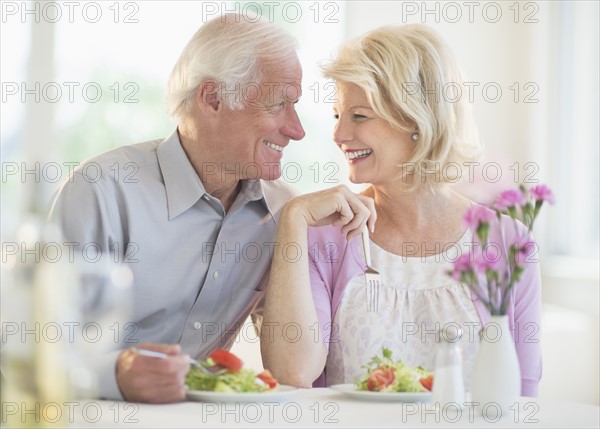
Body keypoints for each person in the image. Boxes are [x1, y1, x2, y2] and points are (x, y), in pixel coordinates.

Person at [261, 24, 542, 396]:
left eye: (358, 116)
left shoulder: (506, 241)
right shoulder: (325, 236)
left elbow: (521, 395)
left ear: (415, 119)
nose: (339, 134)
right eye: (337, 116)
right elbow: (292, 372)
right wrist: (294, 218)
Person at [49, 13, 305, 403]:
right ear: (213, 98)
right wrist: (115, 375)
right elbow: (28, 347)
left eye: (296, 105)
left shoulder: (282, 210)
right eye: (279, 105)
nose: (296, 129)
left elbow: (294, 362)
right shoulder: (101, 189)